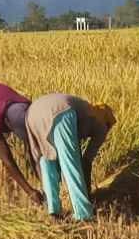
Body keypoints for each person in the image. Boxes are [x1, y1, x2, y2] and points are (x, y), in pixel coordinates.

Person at [24, 93, 113, 224]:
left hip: (32, 113)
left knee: (47, 159)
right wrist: (87, 195)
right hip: (60, 111)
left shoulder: (89, 110)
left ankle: (53, 210)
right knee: (71, 163)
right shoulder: (102, 127)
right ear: (108, 122)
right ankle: (83, 214)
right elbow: (85, 162)